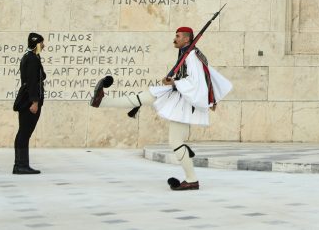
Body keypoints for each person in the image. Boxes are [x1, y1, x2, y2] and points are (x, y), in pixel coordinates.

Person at [90, 26, 232, 191]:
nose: (175, 39)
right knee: (144, 96)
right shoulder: (187, 53)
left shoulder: (192, 56)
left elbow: (197, 82)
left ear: (187, 39)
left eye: (178, 36)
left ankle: (192, 179)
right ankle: (101, 101)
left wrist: (174, 82)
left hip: (185, 102)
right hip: (178, 95)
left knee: (176, 142)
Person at [13, 32, 46, 175]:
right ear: (37, 44)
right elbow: (32, 81)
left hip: (27, 98)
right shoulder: (32, 58)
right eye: (42, 43)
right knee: (24, 133)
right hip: (29, 101)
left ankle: (21, 164)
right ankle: (20, 165)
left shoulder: (30, 56)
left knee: (23, 133)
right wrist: (35, 102)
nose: (44, 45)